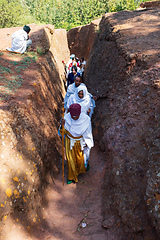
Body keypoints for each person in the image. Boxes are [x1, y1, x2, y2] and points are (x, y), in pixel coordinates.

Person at [60, 103, 94, 184]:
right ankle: (71, 177)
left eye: (76, 116)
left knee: (80, 159)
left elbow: (88, 132)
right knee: (70, 160)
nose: (74, 118)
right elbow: (63, 132)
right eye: (73, 116)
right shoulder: (66, 119)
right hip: (70, 143)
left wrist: (86, 142)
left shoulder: (85, 119)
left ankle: (81, 169)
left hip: (80, 143)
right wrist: (62, 125)